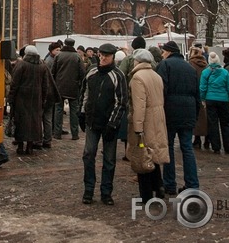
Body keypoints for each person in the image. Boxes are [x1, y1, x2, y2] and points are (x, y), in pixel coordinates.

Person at [79, 43, 128, 205]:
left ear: (113, 56)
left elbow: (121, 102)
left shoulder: (118, 75)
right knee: (88, 155)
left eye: (106, 55)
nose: (103, 58)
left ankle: (106, 192)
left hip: (109, 124)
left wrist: (113, 123)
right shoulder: (92, 71)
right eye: (101, 55)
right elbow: (85, 93)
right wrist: (82, 113)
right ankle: (88, 190)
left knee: (109, 159)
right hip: (92, 122)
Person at [157, 40, 200, 194]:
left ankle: (169, 184)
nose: (162, 54)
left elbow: (162, 90)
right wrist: (195, 113)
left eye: (163, 51)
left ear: (168, 51)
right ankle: (192, 184)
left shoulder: (165, 65)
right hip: (188, 110)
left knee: (168, 148)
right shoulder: (190, 67)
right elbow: (197, 92)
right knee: (187, 148)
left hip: (170, 111)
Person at [127, 48, 169, 203]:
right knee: (154, 154)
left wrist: (137, 128)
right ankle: (159, 186)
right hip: (158, 118)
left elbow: (139, 106)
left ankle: (146, 194)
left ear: (137, 61)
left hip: (145, 121)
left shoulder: (138, 78)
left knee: (142, 156)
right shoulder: (156, 76)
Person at [7, 45, 48, 155]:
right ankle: (30, 146)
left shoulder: (21, 65)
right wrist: (43, 99)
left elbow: (14, 83)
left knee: (20, 122)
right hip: (36, 98)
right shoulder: (42, 66)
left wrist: (11, 98)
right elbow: (45, 85)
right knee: (34, 123)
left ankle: (20, 146)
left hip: (21, 98)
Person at [199, 52, 229, 155]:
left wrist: (203, 98)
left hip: (210, 99)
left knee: (213, 124)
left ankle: (216, 147)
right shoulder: (225, 72)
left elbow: (203, 87)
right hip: (224, 99)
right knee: (226, 123)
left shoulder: (206, 72)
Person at [52, 38, 86, 140]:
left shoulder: (58, 55)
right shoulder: (77, 57)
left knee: (58, 110)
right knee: (74, 112)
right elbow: (82, 73)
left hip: (59, 87)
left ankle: (57, 133)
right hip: (73, 87)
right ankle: (75, 134)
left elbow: (53, 71)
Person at [188, 45, 208, 149]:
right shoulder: (206, 64)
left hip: (195, 92)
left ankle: (197, 139)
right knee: (205, 117)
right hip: (206, 93)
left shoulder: (191, 64)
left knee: (196, 117)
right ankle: (207, 139)